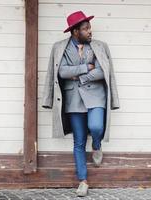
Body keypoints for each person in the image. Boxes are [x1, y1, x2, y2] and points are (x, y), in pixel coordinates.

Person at [41, 10, 120, 197]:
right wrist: (85, 67)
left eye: (89, 27)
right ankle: (83, 181)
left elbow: (102, 72)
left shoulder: (100, 47)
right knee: (78, 142)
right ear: (75, 31)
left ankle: (97, 145)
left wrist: (79, 77)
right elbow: (61, 72)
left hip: (96, 96)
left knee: (96, 126)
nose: (90, 31)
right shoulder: (60, 48)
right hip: (73, 100)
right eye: (86, 28)